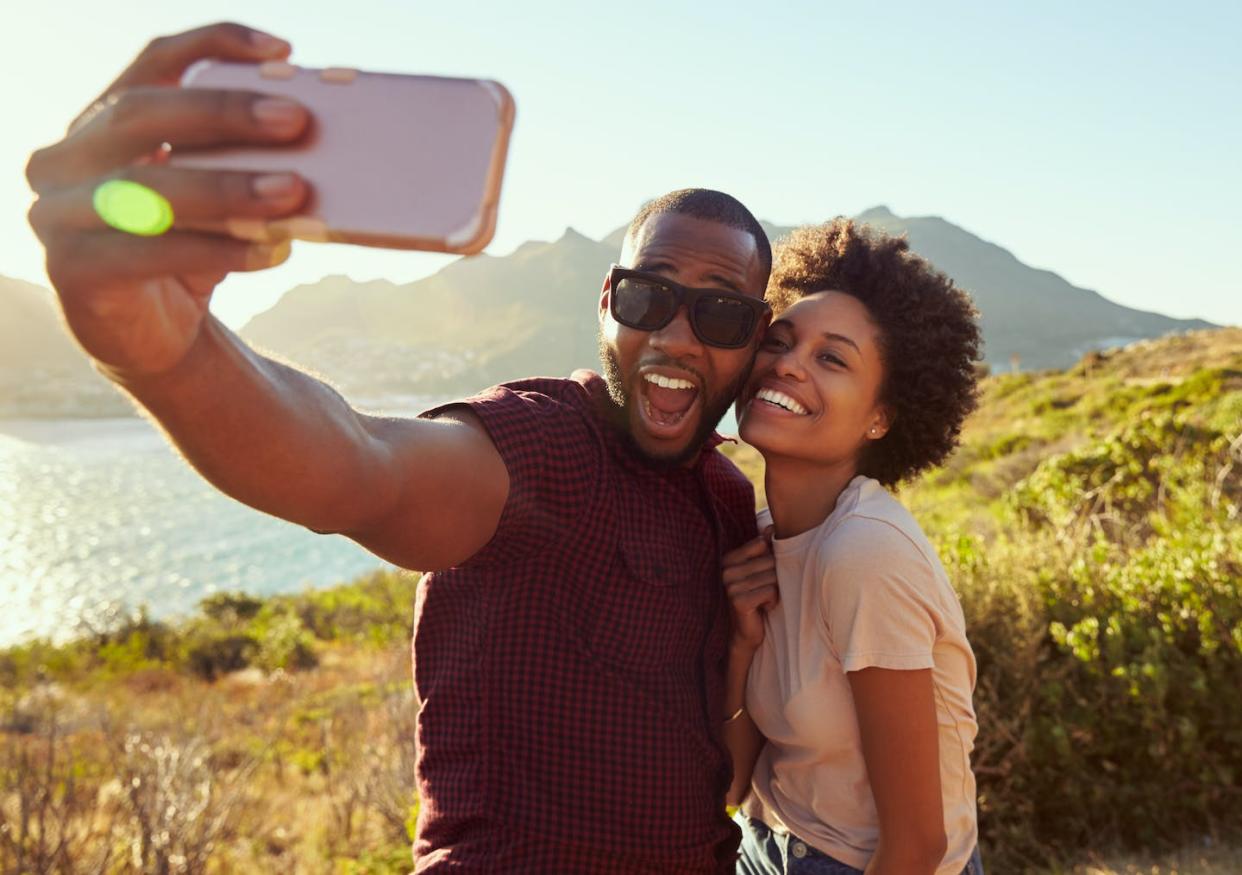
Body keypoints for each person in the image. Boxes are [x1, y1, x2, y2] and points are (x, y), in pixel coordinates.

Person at [25, 22, 774, 873]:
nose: (675, 337)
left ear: (757, 338)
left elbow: (721, 768)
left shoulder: (725, 501)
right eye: (649, 299)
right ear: (608, 302)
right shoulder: (544, 445)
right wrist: (166, 353)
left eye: (717, 315)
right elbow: (359, 467)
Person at [719, 219, 985, 875]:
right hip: (763, 847)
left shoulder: (866, 553)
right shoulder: (759, 537)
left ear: (880, 416)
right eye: (779, 342)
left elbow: (917, 846)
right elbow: (729, 788)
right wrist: (741, 643)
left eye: (831, 358)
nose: (788, 364)